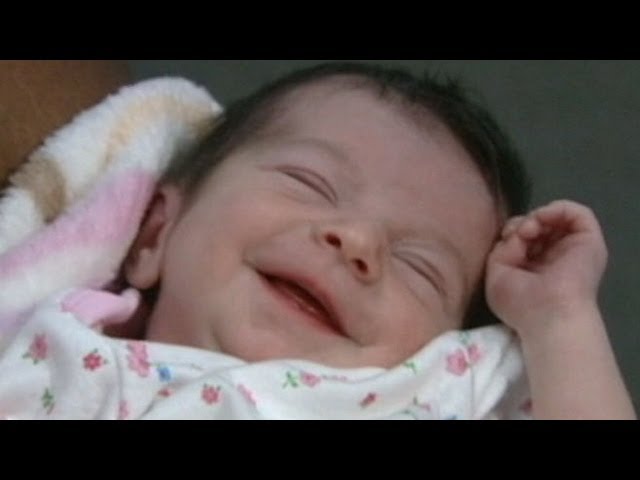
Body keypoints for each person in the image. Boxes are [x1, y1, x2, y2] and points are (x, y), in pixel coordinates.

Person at [1, 62, 635, 419]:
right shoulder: (58, 349)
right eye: (310, 183)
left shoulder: (445, 388)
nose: (356, 240)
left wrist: (560, 319)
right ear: (154, 236)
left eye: (420, 266)